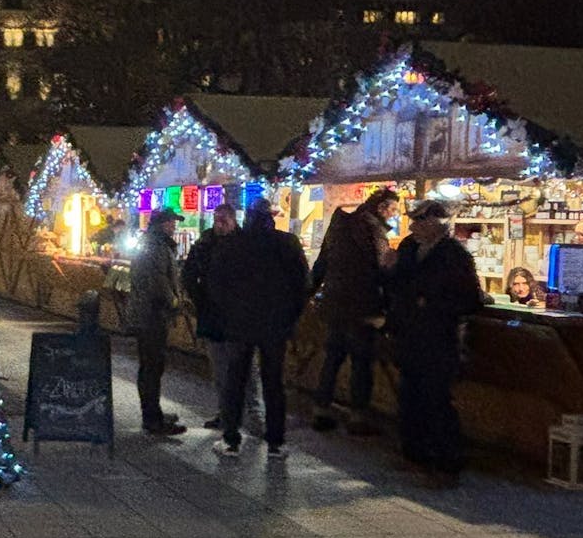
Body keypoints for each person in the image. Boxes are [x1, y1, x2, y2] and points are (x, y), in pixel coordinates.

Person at [387, 200, 486, 486]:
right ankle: (415, 454)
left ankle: (447, 462)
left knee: (437, 400)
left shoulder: (454, 255)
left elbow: (470, 300)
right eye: (413, 222)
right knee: (410, 396)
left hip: (438, 339)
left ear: (437, 224)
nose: (413, 226)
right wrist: (390, 271)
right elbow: (397, 287)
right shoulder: (408, 249)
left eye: (419, 221)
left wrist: (430, 304)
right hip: (410, 337)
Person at [207, 199, 310, 458]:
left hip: (239, 325)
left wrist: (228, 314)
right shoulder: (287, 243)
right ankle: (276, 442)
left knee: (235, 381)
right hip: (275, 325)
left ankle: (231, 439)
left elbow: (216, 284)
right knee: (273, 382)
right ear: (271, 217)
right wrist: (290, 318)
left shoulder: (232, 245)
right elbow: (302, 285)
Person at [310, 188, 400, 435]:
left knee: (333, 358)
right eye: (392, 210)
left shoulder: (338, 226)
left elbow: (322, 263)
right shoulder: (374, 229)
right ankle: (357, 416)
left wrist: (309, 291)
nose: (393, 216)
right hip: (363, 307)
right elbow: (384, 268)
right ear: (382, 207)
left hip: (335, 305)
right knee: (361, 363)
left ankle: (321, 409)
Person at [129, 209, 186, 436]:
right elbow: (159, 279)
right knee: (153, 365)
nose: (174, 226)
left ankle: (153, 412)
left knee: (151, 365)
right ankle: (152, 418)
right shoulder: (157, 246)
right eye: (172, 222)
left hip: (147, 313)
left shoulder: (152, 243)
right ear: (162, 224)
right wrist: (173, 301)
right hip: (152, 314)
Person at [182, 203, 238, 430]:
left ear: (234, 221)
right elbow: (187, 275)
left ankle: (248, 417)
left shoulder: (243, 246)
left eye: (224, 220)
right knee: (220, 370)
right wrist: (200, 301)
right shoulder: (204, 245)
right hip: (214, 318)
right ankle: (225, 414)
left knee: (242, 371)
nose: (220, 224)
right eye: (217, 220)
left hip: (237, 319)